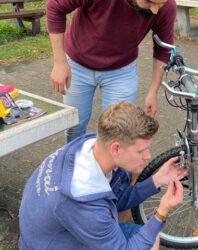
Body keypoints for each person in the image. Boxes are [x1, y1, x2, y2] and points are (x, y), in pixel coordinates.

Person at [19, 102, 187, 249]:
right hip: (50, 244)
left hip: (55, 235)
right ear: (116, 149)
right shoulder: (82, 202)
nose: (148, 156)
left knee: (148, 235)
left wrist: (157, 180)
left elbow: (114, 199)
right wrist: (162, 211)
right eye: (141, 151)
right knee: (148, 240)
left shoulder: (90, 148)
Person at [46, 0, 176, 142]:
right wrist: (59, 62)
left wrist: (153, 92)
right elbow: (55, 7)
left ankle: (108, 164)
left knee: (118, 133)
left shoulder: (167, 5)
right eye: (149, 2)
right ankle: (73, 163)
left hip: (122, 70)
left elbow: (163, 49)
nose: (155, 10)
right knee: (74, 128)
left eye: (160, 4)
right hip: (78, 64)